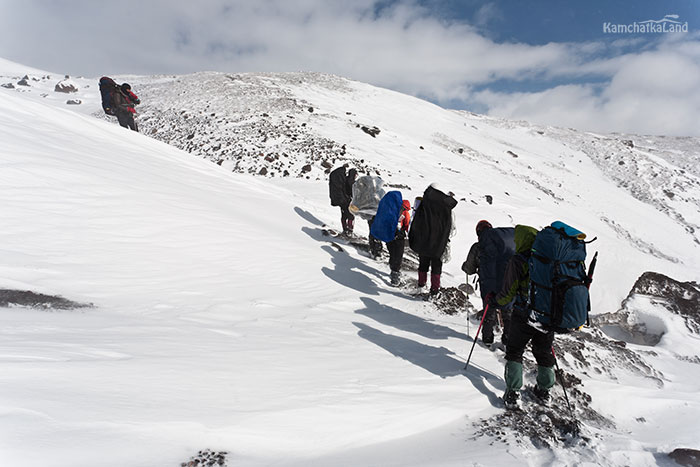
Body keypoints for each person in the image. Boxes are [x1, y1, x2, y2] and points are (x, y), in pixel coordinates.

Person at [490, 225, 555, 409]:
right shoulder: (549, 260)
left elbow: (508, 292)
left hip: (523, 313)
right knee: (543, 352)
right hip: (546, 316)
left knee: (515, 351)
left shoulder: (518, 260)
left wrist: (496, 301)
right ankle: (545, 391)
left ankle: (513, 393)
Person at [462, 220, 515, 348]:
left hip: (488, 284)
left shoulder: (478, 246)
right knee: (507, 311)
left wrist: (467, 266)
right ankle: (508, 341)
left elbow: (469, 269)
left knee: (488, 311)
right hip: (506, 283)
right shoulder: (506, 246)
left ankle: (487, 340)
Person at [408, 184, 457, 295]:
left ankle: (421, 285)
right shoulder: (446, 207)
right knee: (436, 267)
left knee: (423, 264)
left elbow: (417, 221)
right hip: (439, 243)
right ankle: (434, 290)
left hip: (424, 241)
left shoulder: (425, 204)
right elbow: (450, 227)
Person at [387, 199, 411, 286]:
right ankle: (395, 276)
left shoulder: (391, 209)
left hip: (389, 236)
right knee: (398, 255)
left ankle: (392, 268)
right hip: (399, 237)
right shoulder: (405, 213)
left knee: (392, 253)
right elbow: (407, 225)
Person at [328, 165, 357, 235]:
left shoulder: (344, 179)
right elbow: (351, 191)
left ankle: (345, 229)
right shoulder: (351, 181)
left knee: (344, 215)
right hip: (347, 200)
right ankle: (350, 231)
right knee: (351, 216)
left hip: (342, 200)